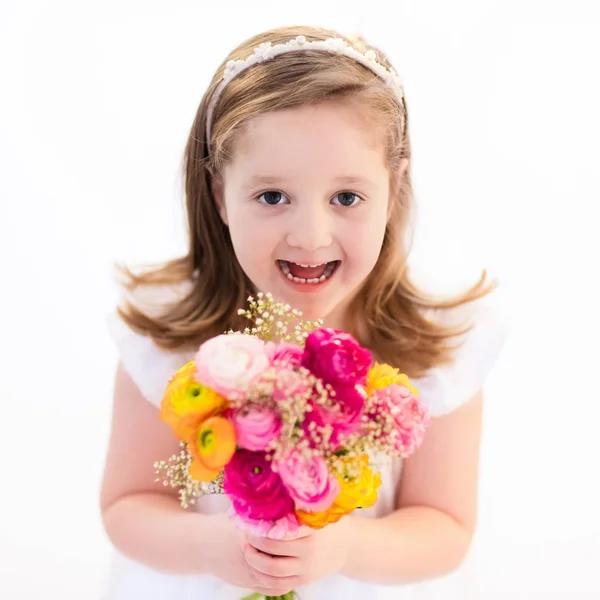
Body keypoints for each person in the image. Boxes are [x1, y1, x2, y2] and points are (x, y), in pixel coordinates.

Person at [100, 24, 509, 600]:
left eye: (347, 198)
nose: (312, 237)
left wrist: (343, 547)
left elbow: (444, 525)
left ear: (393, 188)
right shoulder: (170, 335)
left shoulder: (437, 348)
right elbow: (129, 505)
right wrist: (215, 546)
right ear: (220, 195)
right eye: (272, 197)